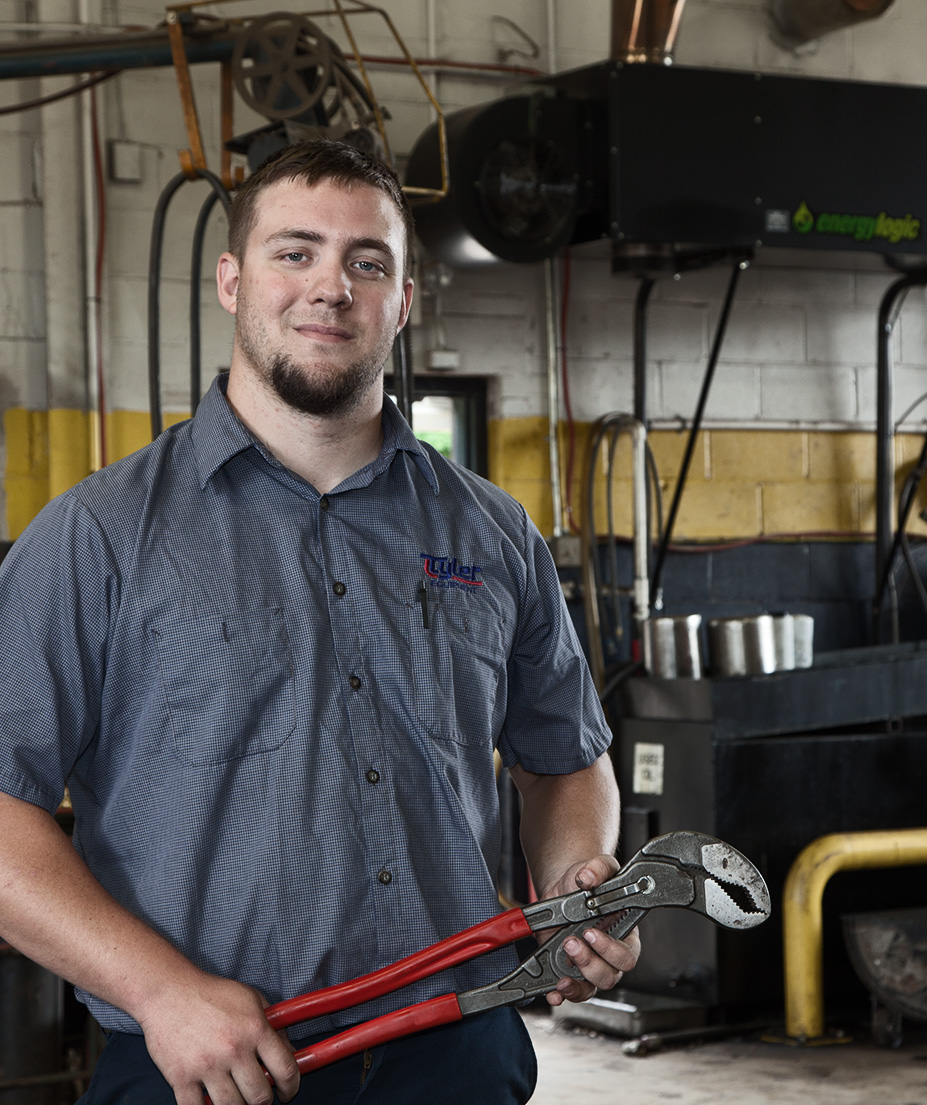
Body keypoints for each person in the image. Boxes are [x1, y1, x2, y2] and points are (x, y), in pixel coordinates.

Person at [0, 140, 639, 1105]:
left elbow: (564, 755)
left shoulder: (491, 529)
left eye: (366, 262)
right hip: (209, 1070)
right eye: (294, 252)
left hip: (456, 1056)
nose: (330, 288)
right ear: (231, 279)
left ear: (404, 299)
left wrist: (572, 882)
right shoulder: (100, 535)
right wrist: (160, 990)